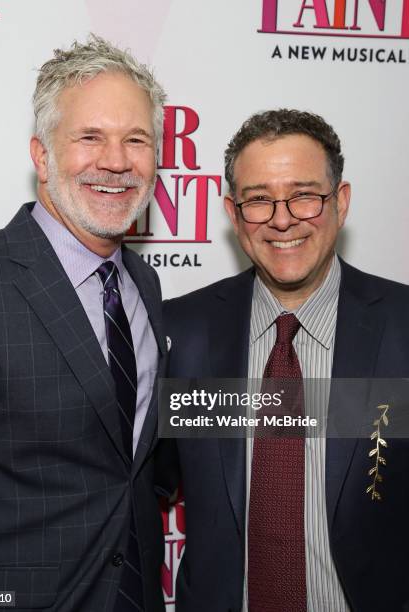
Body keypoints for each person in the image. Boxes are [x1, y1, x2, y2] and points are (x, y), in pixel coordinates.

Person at [0, 35, 168, 611]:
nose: (116, 161)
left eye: (136, 140)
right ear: (42, 155)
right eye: (90, 137)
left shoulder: (145, 286)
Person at [163, 109, 409, 612]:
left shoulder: (402, 327)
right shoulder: (184, 331)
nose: (281, 218)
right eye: (258, 200)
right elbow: (146, 486)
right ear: (234, 215)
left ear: (340, 202)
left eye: (304, 195)